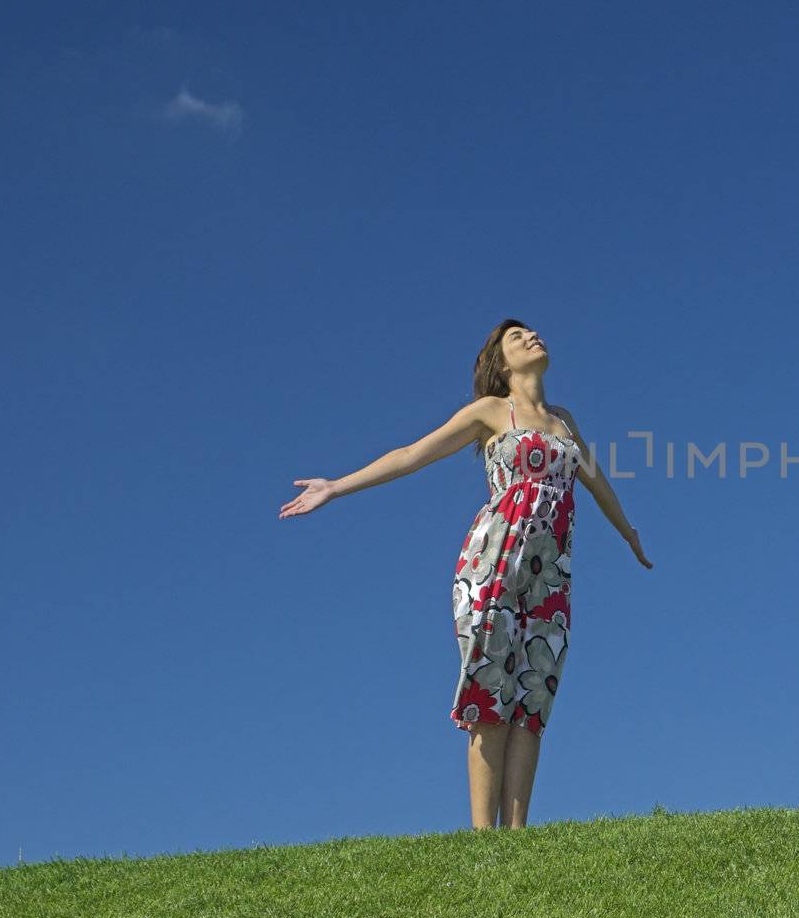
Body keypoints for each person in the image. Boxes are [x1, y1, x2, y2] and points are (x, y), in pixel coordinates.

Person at [278, 317, 653, 830]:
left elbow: (597, 481)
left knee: (534, 692)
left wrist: (629, 532)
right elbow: (412, 454)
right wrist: (336, 487)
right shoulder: (492, 412)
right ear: (501, 363)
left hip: (551, 574)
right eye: (516, 338)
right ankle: (483, 842)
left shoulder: (564, 422)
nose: (531, 337)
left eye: (533, 332)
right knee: (490, 690)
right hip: (493, 563)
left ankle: (516, 840)